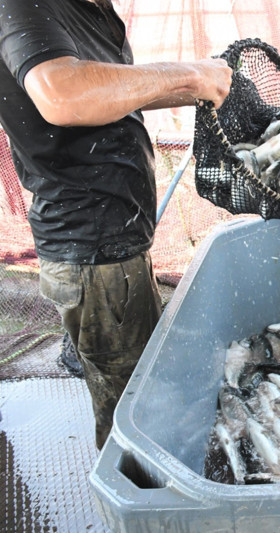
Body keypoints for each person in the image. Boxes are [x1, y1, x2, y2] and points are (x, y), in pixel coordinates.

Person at [0, 0, 233, 449]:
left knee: (146, 379)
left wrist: (200, 86)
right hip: (91, 254)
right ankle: (135, 504)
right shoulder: (21, 6)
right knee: (133, 408)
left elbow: (113, 91)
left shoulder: (95, 10)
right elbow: (64, 95)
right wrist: (188, 73)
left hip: (119, 246)